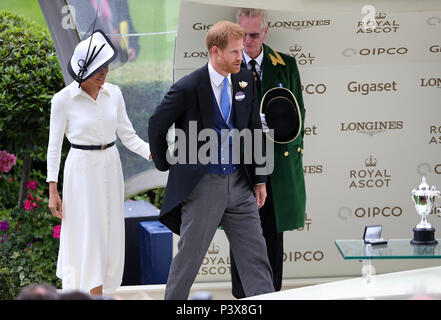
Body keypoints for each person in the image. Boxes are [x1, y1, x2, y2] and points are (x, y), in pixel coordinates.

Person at [148, 20, 275, 300]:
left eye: (241, 51)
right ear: (216, 52)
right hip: (204, 187)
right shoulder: (188, 87)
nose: (241, 58)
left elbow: (255, 128)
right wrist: (164, 162)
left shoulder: (245, 80)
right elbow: (157, 124)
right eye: (234, 52)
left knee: (256, 258)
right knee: (189, 260)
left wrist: (260, 179)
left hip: (241, 187)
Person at [47, 29, 151, 296]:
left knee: (110, 230)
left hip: (110, 165)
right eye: (97, 68)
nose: (104, 72)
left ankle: (103, 289)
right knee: (87, 232)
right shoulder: (63, 100)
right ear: (83, 71)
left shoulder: (114, 94)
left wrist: (155, 153)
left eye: (106, 66)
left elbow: (128, 136)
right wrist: (52, 190)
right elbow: (54, 147)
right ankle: (88, 292)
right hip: (81, 170)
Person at [229, 8, 307, 298]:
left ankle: (273, 296)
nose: (247, 41)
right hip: (241, 168)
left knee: (273, 237)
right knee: (241, 236)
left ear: (265, 31)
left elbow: (299, 114)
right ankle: (243, 298)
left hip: (277, 166)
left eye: (253, 34)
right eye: (242, 34)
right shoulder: (226, 65)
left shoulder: (285, 64)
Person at [70, 0, 140, 62]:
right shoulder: (77, 2)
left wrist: (132, 47)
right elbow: (84, 34)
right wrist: (110, 40)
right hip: (95, 60)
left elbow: (128, 24)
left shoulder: (119, 1)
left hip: (119, 59)